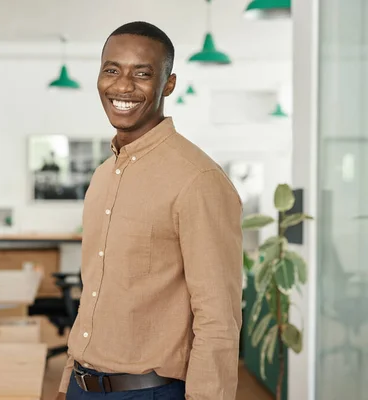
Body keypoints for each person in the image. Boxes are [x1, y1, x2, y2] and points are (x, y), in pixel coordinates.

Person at [55, 21, 243, 400]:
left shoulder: (198, 179)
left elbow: (218, 318)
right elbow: (94, 294)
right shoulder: (102, 177)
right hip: (81, 385)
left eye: (142, 74)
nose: (123, 86)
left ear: (168, 84)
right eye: (112, 70)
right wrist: (65, 384)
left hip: (149, 392)